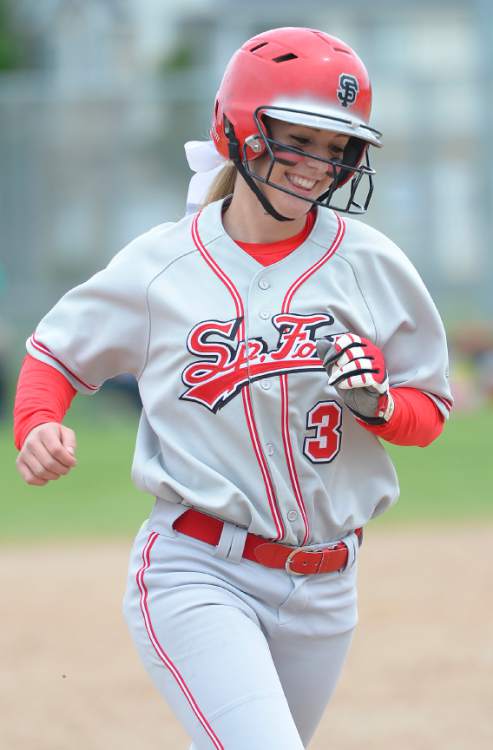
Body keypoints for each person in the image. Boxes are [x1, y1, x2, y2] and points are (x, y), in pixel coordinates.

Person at [14, 27, 453, 750]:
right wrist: (36, 423)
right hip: (198, 571)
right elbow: (56, 354)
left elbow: (428, 410)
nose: (320, 164)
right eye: (300, 138)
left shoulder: (371, 264)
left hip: (328, 585)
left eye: (337, 145)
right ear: (243, 126)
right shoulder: (164, 265)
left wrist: (377, 406)